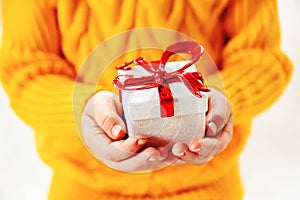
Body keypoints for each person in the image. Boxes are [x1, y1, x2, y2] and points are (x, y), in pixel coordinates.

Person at [0, 0, 292, 199]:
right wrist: (83, 110)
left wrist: (219, 99)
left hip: (207, 186)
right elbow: (26, 71)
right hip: (83, 187)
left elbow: (261, 56)